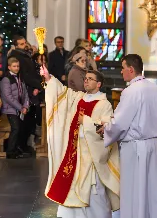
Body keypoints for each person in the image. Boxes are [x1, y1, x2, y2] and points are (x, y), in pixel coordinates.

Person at [40, 65, 120, 218]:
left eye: (90, 79)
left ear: (99, 84)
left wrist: (87, 121)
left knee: (94, 190)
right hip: (74, 150)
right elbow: (62, 93)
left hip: (91, 154)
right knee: (69, 186)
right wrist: (49, 78)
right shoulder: (78, 97)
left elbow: (107, 129)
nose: (86, 81)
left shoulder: (105, 104)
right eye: (86, 79)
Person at [99, 54, 157, 218]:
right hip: (152, 144)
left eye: (123, 68)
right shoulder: (154, 88)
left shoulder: (131, 91)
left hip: (135, 147)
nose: (121, 72)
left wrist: (106, 129)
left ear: (130, 69)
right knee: (151, 188)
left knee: (134, 189)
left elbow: (120, 123)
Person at [0, 57, 29, 159]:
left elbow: (25, 93)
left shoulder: (20, 77)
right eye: (14, 66)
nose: (16, 68)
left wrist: (25, 105)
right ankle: (10, 151)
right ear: (9, 67)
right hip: (10, 109)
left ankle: (16, 148)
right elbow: (8, 97)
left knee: (20, 129)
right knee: (15, 129)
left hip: (20, 108)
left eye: (18, 66)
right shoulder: (6, 79)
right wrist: (21, 107)